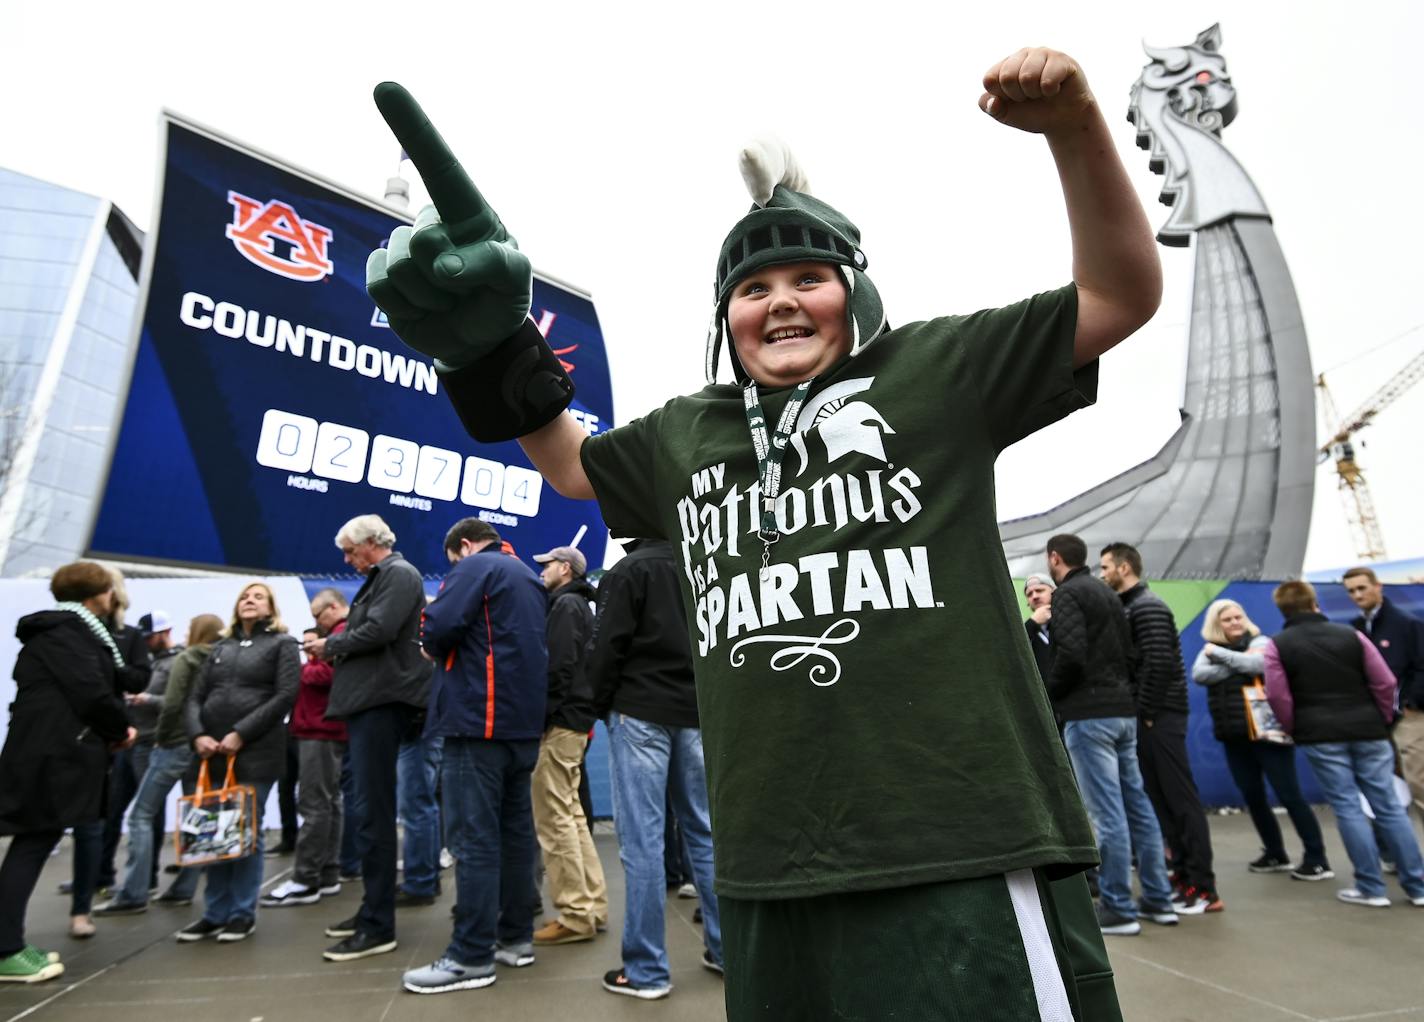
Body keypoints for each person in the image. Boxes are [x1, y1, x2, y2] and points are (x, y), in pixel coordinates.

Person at [367, 41, 1161, 1016]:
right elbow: (569, 460)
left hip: (960, 842)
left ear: (853, 295)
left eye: (806, 277)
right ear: (726, 318)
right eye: (752, 287)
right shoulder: (686, 432)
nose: (780, 298)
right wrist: (493, 347)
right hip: (767, 861)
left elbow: (1118, 296)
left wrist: (1075, 130)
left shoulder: (935, 373)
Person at [399, 518, 549, 994]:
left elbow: (438, 625)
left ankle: (470, 954)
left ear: (462, 545)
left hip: (477, 722)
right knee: (515, 835)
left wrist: (429, 644)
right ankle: (515, 937)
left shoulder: (476, 566)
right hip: (521, 726)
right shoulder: (525, 573)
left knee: (473, 840)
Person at [588, 538, 723, 999]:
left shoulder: (629, 570)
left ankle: (645, 970)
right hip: (694, 712)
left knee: (642, 842)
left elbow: (606, 646)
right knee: (704, 834)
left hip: (640, 710)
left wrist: (597, 704)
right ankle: (728, 952)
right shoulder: (703, 565)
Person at [0, 562, 135, 983]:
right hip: (53, 758)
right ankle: (6, 950)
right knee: (33, 842)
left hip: (48, 753)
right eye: (111, 591)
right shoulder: (69, 633)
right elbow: (91, 693)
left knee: (34, 841)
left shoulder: (60, 632)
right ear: (99, 595)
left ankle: (9, 941)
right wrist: (120, 728)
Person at [307, 515, 430, 962]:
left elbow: (378, 630)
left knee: (374, 814)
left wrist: (331, 646)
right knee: (366, 813)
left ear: (371, 543)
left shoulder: (397, 574)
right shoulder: (389, 576)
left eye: (350, 551)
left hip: (381, 703)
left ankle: (378, 925)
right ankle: (370, 912)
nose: (347, 560)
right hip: (370, 703)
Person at [1045, 534, 1178, 937]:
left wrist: (1049, 692)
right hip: (1123, 712)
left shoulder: (1067, 595)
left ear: (1055, 558)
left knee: (1107, 813)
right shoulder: (1108, 595)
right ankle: (1158, 899)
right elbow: (1132, 655)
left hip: (1089, 715)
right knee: (1137, 805)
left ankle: (1119, 906)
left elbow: (1070, 653)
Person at [1263, 580, 1424, 908]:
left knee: (1348, 806)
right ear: (1314, 603)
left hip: (1320, 734)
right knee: (1390, 807)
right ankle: (1418, 885)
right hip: (1369, 729)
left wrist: (1296, 727)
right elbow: (1385, 682)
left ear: (1282, 609)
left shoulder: (1278, 645)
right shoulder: (1353, 636)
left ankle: (1370, 887)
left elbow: (1278, 696)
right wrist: (1380, 717)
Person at [1099, 542, 1220, 914]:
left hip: (1160, 716)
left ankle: (1203, 888)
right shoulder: (1128, 607)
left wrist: (1146, 711)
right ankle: (1181, 876)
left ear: (1124, 567)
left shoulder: (1147, 606)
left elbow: (1160, 662)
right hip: (1149, 715)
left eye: (1105, 567)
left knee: (1179, 799)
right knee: (1162, 803)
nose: (1101, 574)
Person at [176, 583, 299, 942]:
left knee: (248, 832)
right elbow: (194, 697)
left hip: (255, 753)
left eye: (259, 597)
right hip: (211, 754)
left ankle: (241, 913)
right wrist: (197, 733)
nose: (250, 600)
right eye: (246, 596)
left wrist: (241, 733)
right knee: (214, 832)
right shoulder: (221, 647)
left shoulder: (282, 645)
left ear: (271, 609)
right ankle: (214, 913)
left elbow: (285, 695)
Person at [1190, 599, 1331, 881]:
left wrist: (1221, 655)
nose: (1234, 623)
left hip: (1269, 735)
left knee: (1290, 795)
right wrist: (1237, 663)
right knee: (1253, 797)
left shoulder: (1260, 641)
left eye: (1237, 617)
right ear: (1217, 625)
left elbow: (1259, 664)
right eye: (1227, 619)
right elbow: (1199, 674)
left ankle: (1317, 859)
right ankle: (1275, 853)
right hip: (1235, 737)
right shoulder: (1210, 652)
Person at [97, 613, 226, 915]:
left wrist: (163, 739)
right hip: (202, 744)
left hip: (173, 743)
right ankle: (183, 888)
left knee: (141, 815)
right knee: (198, 818)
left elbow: (172, 704)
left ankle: (134, 892)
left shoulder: (187, 658)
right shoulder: (223, 659)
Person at [65, 566, 152, 939]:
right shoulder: (66, 631)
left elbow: (136, 678)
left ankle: (84, 904)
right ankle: (92, 882)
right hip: (77, 736)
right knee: (81, 820)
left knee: (100, 819)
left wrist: (112, 667)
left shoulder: (128, 637)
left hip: (112, 738)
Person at [530, 544, 608, 946]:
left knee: (554, 819)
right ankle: (591, 904)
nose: (541, 570)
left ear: (565, 568)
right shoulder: (582, 607)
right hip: (576, 720)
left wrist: (542, 719)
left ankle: (576, 913)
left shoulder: (564, 608)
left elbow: (557, 666)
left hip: (560, 722)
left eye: (547, 565)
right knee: (572, 815)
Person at [262, 589, 350, 907]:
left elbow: (330, 674)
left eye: (318, 615)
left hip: (320, 728)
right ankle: (325, 873)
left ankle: (306, 879)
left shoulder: (340, 636)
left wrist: (299, 670)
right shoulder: (340, 636)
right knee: (328, 803)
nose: (317, 623)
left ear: (334, 607)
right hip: (323, 727)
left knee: (315, 804)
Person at [1345, 566, 1424, 823]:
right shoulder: (1355, 628)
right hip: (1375, 721)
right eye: (1351, 591)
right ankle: (1396, 856)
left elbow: (1421, 665)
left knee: (1418, 784)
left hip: (1408, 719)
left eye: (1362, 588)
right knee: (1384, 790)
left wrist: (1411, 703)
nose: (1357, 595)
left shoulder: (1406, 624)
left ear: (1378, 586)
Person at [1024, 573, 1056, 685]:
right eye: (1029, 594)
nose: (1034, 596)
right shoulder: (1027, 630)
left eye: (1040, 590)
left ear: (1054, 592)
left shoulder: (1069, 619)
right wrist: (1032, 623)